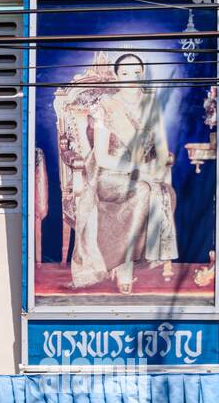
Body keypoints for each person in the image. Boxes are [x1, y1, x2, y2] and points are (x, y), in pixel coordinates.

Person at [71, 52, 178, 294]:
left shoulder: (152, 105)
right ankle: (124, 265)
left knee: (162, 192)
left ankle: (137, 260)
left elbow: (161, 150)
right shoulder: (106, 108)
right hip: (110, 175)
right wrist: (139, 170)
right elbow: (102, 157)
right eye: (125, 73)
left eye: (136, 72)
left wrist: (156, 168)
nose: (131, 77)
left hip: (144, 173)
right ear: (116, 77)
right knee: (141, 191)